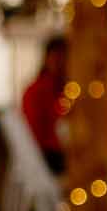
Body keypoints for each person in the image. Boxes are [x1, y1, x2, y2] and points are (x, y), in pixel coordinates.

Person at [22, 36, 70, 173]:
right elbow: (35, 133)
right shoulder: (36, 90)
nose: (59, 63)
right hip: (46, 156)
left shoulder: (66, 90)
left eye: (63, 58)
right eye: (56, 57)